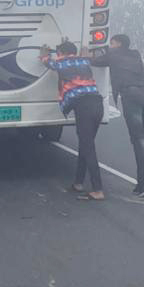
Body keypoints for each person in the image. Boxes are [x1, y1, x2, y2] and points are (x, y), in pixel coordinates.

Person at [92, 34, 144, 197]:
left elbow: (95, 61)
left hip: (131, 96)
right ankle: (141, 183)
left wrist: (86, 53)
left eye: (112, 43)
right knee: (140, 138)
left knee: (138, 140)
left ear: (119, 44)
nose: (110, 45)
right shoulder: (135, 54)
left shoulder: (113, 54)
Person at [41, 41, 106, 201]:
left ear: (62, 52)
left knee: (88, 146)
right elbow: (84, 55)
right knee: (85, 144)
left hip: (83, 106)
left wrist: (44, 53)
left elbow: (46, 61)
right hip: (98, 104)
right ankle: (78, 182)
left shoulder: (61, 62)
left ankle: (98, 189)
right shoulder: (84, 60)